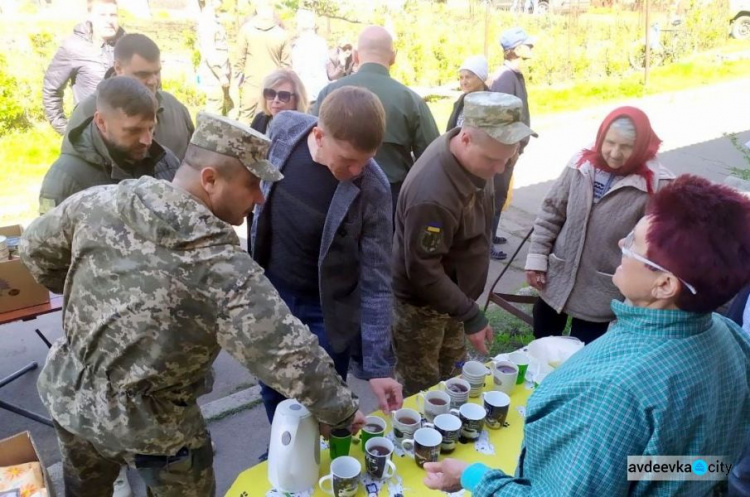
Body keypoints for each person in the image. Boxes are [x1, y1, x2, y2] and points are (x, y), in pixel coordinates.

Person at [21, 111, 365, 497]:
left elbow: (35, 251)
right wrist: (343, 412)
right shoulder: (221, 269)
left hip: (72, 396)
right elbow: (290, 355)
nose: (259, 198)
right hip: (158, 429)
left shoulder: (101, 201)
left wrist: (85, 297)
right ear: (210, 179)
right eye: (252, 184)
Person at [423, 174, 750, 496]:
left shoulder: (614, 392)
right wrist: (657, 482)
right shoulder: (732, 339)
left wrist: (475, 477)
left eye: (633, 243)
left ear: (664, 285)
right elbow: (708, 465)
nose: (621, 243)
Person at [251, 86, 403, 422]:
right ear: (319, 135)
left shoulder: (373, 187)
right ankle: (282, 450)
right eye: (348, 160)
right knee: (273, 386)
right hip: (271, 295)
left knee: (326, 399)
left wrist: (379, 367)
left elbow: (376, 280)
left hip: (327, 311)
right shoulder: (284, 129)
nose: (357, 172)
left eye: (366, 160)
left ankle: (323, 466)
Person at [392, 92, 536, 396]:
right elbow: (423, 271)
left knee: (455, 378)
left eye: (507, 159)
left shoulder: (471, 158)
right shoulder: (432, 196)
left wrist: (465, 310)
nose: (499, 170)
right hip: (423, 310)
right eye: (492, 160)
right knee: (424, 392)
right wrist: (471, 316)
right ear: (466, 138)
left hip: (452, 301)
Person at [524, 107, 675, 344]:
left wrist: (633, 300)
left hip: (602, 292)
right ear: (600, 136)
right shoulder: (581, 164)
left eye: (626, 146)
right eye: (610, 142)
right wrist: (537, 258)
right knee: (541, 339)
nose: (614, 153)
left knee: (582, 354)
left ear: (642, 145)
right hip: (557, 281)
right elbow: (552, 211)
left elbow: (652, 253)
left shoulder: (657, 184)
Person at [312, 26, 440, 215]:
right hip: (391, 199)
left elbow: (314, 147)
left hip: (334, 193)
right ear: (393, 57)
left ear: (355, 56)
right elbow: (432, 160)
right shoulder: (411, 100)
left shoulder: (329, 94)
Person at [39, 76, 180, 215]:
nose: (147, 140)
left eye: (151, 128)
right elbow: (46, 237)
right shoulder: (66, 179)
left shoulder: (166, 162)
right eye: (134, 130)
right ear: (101, 122)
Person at [63, 33, 195, 161]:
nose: (153, 81)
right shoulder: (87, 111)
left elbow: (194, 164)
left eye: (157, 72)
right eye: (143, 74)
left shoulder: (174, 107)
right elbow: (72, 171)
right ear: (118, 68)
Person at [43, 0, 124, 134]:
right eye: (102, 15)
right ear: (90, 16)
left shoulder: (129, 45)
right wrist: (67, 129)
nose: (109, 20)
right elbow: (51, 90)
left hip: (128, 134)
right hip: (90, 135)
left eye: (113, 15)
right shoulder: (73, 47)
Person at [489, 27, 535, 261]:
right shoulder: (506, 77)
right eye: (527, 44)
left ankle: (491, 234)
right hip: (504, 151)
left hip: (510, 150)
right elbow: (503, 118)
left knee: (499, 194)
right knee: (495, 195)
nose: (531, 47)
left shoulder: (513, 75)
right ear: (515, 49)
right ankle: (486, 241)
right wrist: (510, 150)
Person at [233, 0, 292, 124]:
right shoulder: (282, 34)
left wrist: (238, 77)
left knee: (245, 120)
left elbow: (239, 59)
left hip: (251, 84)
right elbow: (286, 66)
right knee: (268, 120)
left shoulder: (246, 30)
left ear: (257, 10)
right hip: (272, 87)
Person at [197, 0, 232, 116]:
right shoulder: (207, 21)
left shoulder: (214, 19)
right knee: (213, 115)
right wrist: (221, 75)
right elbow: (209, 51)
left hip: (219, 75)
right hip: (214, 76)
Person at [250, 69, 308, 135]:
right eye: (270, 94)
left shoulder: (303, 130)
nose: (276, 100)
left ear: (297, 99)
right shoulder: (260, 119)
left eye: (284, 96)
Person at [291, 9, 329, 104]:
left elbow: (296, 69)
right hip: (320, 90)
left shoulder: (298, 44)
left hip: (304, 91)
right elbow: (325, 65)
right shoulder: (322, 42)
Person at [446, 55, 490, 130]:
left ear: (481, 78)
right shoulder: (460, 102)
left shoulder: (491, 104)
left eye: (468, 77)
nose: (463, 82)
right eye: (461, 78)